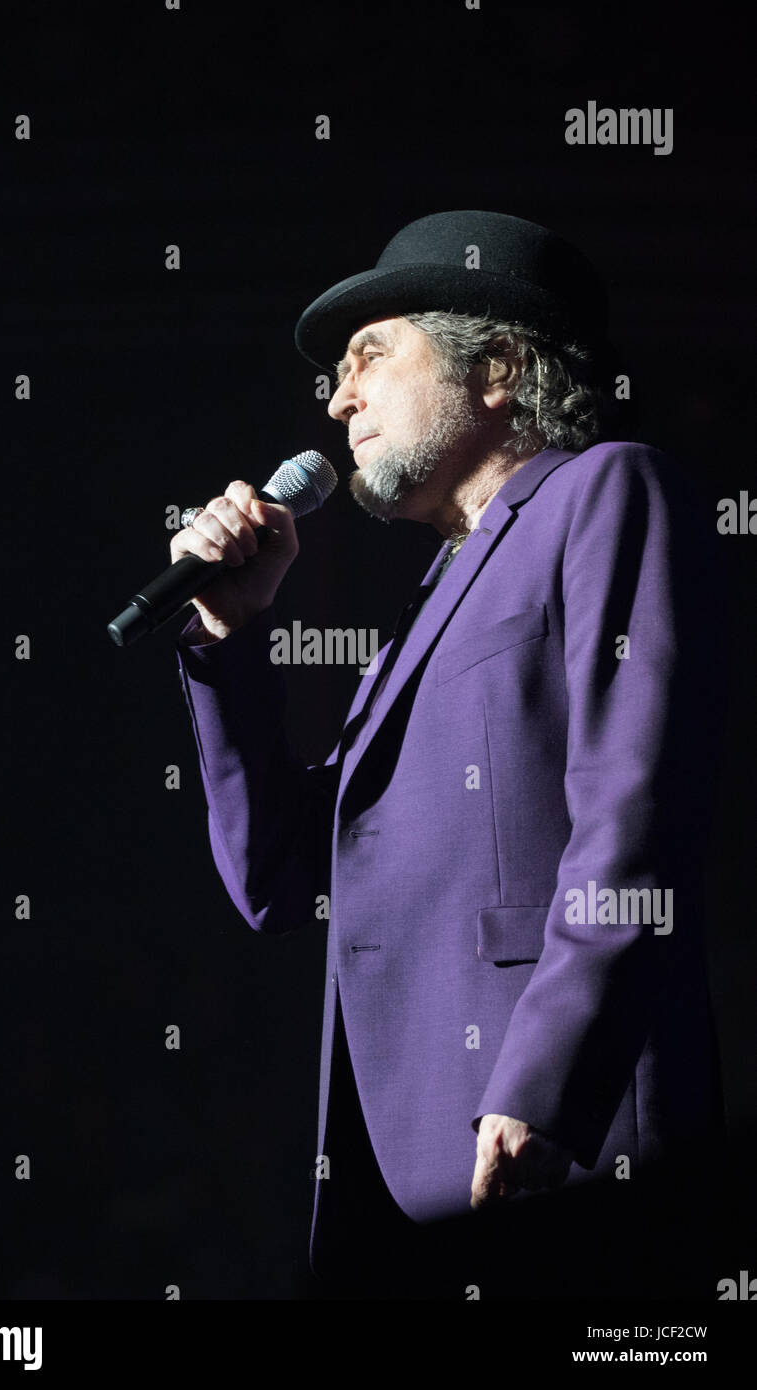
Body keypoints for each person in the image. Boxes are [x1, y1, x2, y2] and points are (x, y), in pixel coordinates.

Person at [169, 211, 727, 1299]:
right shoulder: (423, 611)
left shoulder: (605, 490)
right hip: (404, 1176)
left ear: (497, 369)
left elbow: (633, 812)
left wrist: (546, 1081)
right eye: (333, 377)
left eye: (368, 357)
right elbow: (278, 878)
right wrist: (229, 640)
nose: (335, 401)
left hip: (558, 1132)